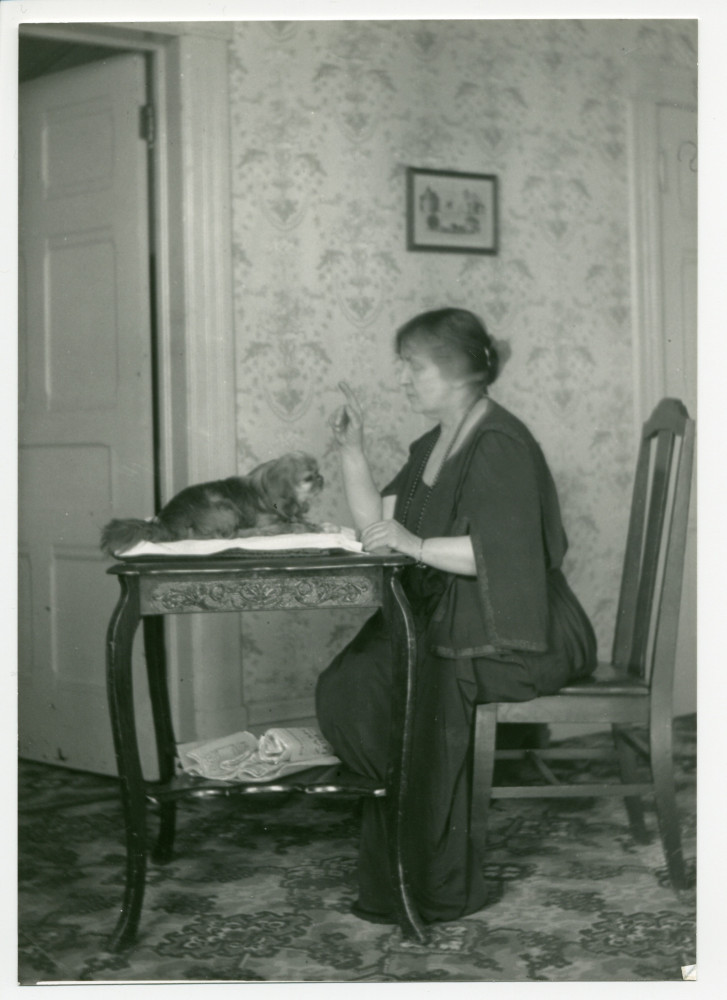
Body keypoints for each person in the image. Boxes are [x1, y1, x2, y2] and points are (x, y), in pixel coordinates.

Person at [316, 307, 597, 925]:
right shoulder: (435, 442)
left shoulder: (498, 441)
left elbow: (505, 556)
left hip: (526, 630)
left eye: (412, 365)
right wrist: (352, 452)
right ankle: (402, 855)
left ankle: (435, 888)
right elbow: (378, 530)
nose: (401, 378)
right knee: (357, 681)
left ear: (457, 370)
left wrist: (416, 547)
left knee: (422, 689)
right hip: (466, 613)